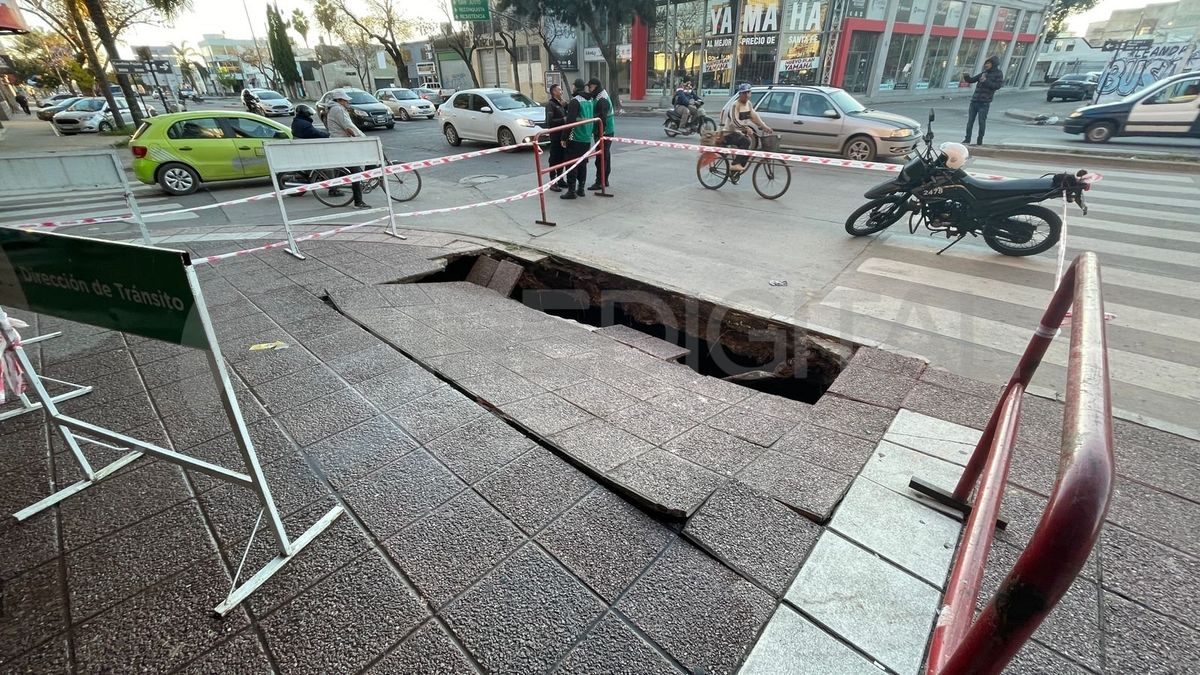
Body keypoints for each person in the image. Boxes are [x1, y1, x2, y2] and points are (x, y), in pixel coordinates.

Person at [324, 90, 370, 209]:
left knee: (351, 170)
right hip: (342, 145)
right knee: (356, 172)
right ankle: (358, 202)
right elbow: (349, 127)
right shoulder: (338, 109)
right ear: (339, 100)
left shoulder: (333, 109)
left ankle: (334, 187)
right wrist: (362, 138)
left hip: (341, 143)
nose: (347, 102)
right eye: (345, 100)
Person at [721, 83, 772, 175]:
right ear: (740, 94)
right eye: (744, 93)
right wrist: (746, 128)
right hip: (729, 133)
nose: (746, 95)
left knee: (748, 149)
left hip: (739, 133)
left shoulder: (748, 104)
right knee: (746, 142)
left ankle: (736, 171)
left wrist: (764, 127)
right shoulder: (735, 105)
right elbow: (735, 121)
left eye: (748, 92)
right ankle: (735, 164)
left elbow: (754, 117)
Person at [560, 79, 595, 200]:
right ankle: (581, 189)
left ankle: (571, 191)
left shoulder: (575, 101)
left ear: (575, 87)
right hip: (586, 137)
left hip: (575, 137)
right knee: (582, 163)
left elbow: (570, 121)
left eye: (573, 86)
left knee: (571, 164)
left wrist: (564, 137)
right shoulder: (589, 100)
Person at [962, 56, 1003, 146]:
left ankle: (979, 140)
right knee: (970, 121)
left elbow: (997, 86)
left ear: (993, 64)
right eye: (986, 63)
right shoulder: (984, 73)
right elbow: (972, 80)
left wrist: (986, 81)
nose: (986, 65)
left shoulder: (998, 74)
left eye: (988, 63)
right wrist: (966, 76)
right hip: (974, 101)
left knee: (981, 122)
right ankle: (967, 139)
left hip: (984, 102)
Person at [587, 77, 614, 190]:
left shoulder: (601, 98)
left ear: (595, 86)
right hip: (606, 131)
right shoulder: (600, 94)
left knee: (601, 158)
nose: (589, 89)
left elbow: (602, 117)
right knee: (605, 156)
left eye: (590, 87)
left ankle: (600, 181)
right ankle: (604, 180)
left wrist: (600, 132)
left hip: (604, 132)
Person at [544, 83, 568, 192]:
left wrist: (566, 105)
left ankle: (560, 179)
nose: (561, 91)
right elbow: (550, 121)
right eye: (559, 90)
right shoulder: (551, 104)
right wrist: (563, 120)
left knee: (562, 157)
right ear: (554, 92)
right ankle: (552, 182)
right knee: (554, 158)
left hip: (562, 135)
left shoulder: (561, 103)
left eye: (561, 90)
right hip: (555, 136)